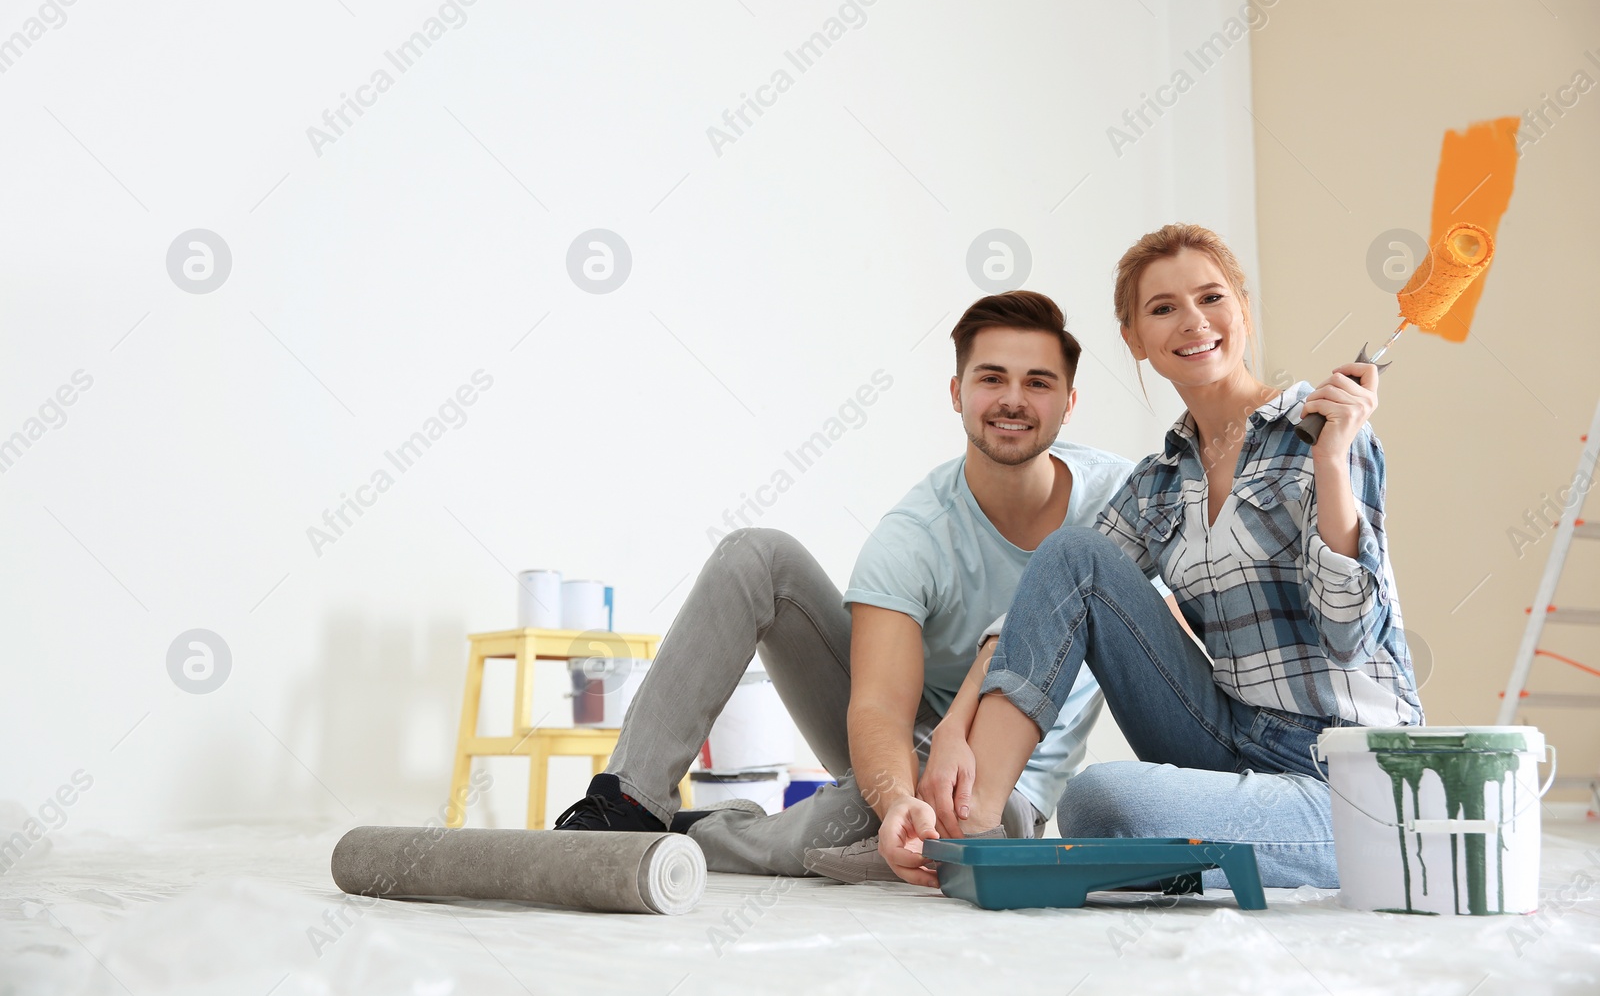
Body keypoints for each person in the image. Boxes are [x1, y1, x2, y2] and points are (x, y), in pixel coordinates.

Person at [551, 291, 1177, 878]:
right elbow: (878, 705)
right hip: (904, 729)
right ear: (957, 393)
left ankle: (699, 837)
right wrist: (898, 794)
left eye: (1037, 382)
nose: (1013, 400)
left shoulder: (1124, 503)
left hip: (1009, 784)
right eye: (991, 378)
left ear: (1068, 402)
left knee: (855, 832)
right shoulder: (914, 533)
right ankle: (630, 806)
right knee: (757, 556)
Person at [880, 223, 1422, 890]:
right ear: (1135, 338)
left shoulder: (1329, 436)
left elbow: (1350, 634)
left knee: (1100, 802)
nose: (1192, 321)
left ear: (1243, 310)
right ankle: (972, 831)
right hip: (1231, 745)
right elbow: (1044, 603)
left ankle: (1295, 849)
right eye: (1163, 308)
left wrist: (1332, 460)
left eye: (1211, 297)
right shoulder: (1158, 482)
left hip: (1346, 778)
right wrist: (956, 729)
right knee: (1073, 553)